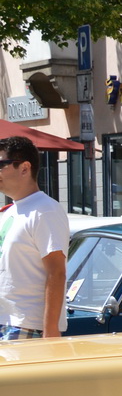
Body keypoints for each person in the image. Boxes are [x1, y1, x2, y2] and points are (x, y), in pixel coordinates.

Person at [0, 136, 70, 341]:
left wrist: (50, 332)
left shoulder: (45, 210)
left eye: (1, 164)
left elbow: (57, 273)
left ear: (24, 168)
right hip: (7, 321)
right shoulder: (11, 211)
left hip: (27, 326)